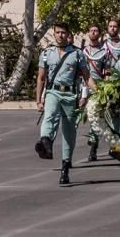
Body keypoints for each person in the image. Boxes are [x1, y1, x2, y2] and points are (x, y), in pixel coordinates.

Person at [35, 24, 90, 184]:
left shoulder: (77, 54)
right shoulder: (47, 54)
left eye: (63, 33)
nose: (60, 35)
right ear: (54, 34)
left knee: (69, 131)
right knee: (50, 115)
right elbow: (41, 78)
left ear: (68, 34)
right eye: (57, 32)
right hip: (53, 91)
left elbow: (87, 77)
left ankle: (66, 165)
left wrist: (90, 94)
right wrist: (38, 100)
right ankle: (45, 142)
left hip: (70, 95)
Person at [82, 23, 110, 161]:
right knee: (87, 116)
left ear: (99, 34)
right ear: (88, 33)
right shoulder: (83, 51)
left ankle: (94, 145)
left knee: (97, 116)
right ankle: (92, 142)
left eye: (96, 31)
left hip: (98, 87)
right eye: (91, 30)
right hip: (84, 88)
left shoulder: (104, 52)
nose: (93, 33)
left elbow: (107, 71)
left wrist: (105, 88)